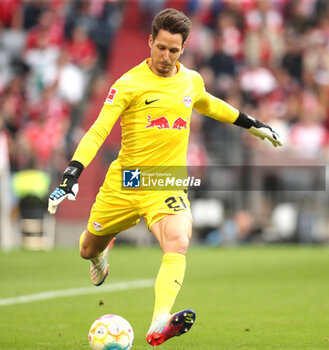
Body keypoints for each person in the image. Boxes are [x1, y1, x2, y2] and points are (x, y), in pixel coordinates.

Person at [48, 8, 282, 347]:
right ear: (150, 41)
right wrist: (73, 171)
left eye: (174, 50)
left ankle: (160, 320)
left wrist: (252, 124)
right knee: (86, 248)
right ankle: (100, 254)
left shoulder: (191, 80)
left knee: (178, 240)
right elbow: (98, 130)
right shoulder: (128, 83)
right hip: (124, 184)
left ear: (184, 48)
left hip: (165, 184)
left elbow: (211, 104)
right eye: (161, 47)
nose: (165, 57)